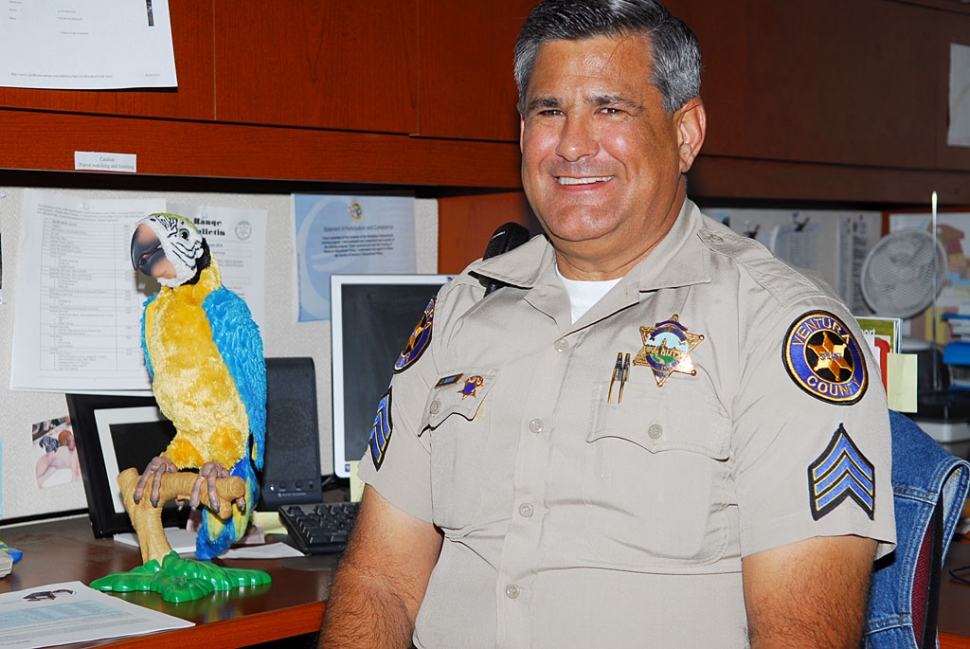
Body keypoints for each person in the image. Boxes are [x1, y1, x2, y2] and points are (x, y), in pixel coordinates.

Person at [319, 0, 896, 646]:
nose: (571, 144)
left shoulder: (782, 330)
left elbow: (801, 636)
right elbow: (379, 580)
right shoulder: (460, 313)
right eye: (548, 111)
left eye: (610, 108)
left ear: (685, 133)